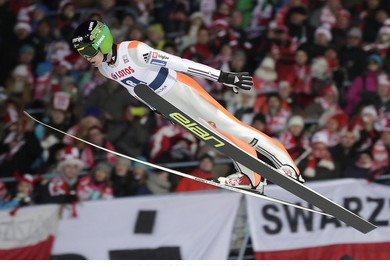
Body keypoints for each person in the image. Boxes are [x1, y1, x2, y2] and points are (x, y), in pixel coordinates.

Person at [71, 20, 305, 192]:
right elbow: (133, 88)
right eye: (82, 53)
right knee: (218, 138)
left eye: (89, 51)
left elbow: (182, 64)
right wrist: (157, 107)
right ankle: (251, 177)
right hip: (168, 101)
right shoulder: (105, 69)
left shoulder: (134, 51)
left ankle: (286, 165)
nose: (87, 57)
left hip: (182, 89)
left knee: (232, 127)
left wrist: (222, 76)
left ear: (104, 43)